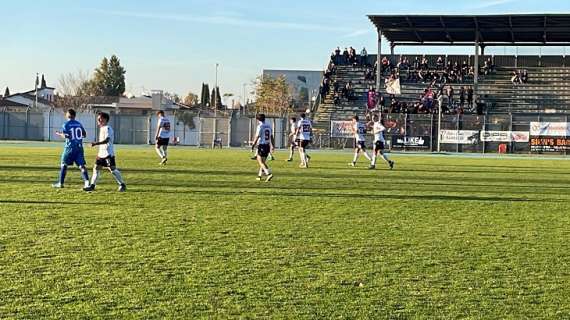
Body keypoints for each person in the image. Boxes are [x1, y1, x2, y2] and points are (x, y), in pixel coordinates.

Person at [83, 112, 126, 192]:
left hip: (108, 154)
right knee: (96, 168)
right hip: (101, 154)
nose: (98, 120)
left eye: (100, 118)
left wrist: (95, 143)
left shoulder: (107, 128)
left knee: (112, 170)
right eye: (98, 118)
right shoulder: (102, 128)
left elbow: (107, 140)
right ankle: (92, 186)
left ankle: (122, 184)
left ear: (105, 119)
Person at [52, 109, 90, 189]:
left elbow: (66, 136)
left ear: (68, 115)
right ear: (74, 115)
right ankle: (87, 183)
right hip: (79, 147)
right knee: (81, 165)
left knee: (64, 164)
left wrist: (59, 134)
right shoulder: (79, 124)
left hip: (69, 147)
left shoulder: (66, 124)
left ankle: (60, 183)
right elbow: (84, 134)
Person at [251, 114, 274, 182]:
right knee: (263, 162)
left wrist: (253, 145)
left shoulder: (260, 126)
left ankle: (268, 173)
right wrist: (273, 146)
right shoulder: (269, 126)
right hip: (267, 145)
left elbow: (257, 136)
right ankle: (259, 176)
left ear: (258, 119)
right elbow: (271, 137)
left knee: (260, 161)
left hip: (262, 145)